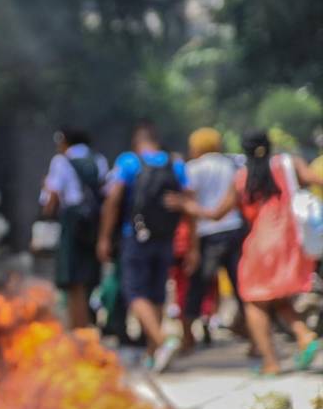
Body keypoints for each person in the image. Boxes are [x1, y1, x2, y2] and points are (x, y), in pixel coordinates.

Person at [172, 131, 322, 375]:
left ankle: (270, 362)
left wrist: (187, 206)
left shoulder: (242, 178)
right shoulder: (287, 163)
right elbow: (314, 178)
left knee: (254, 301)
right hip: (290, 242)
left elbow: (217, 214)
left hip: (260, 246)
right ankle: (304, 335)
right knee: (277, 297)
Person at [97, 121, 194, 372]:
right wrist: (193, 245)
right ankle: (153, 354)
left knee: (134, 292)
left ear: (136, 142)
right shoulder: (176, 164)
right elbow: (189, 204)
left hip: (135, 236)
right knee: (157, 293)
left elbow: (113, 200)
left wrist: (105, 237)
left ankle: (162, 342)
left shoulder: (129, 162)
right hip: (166, 238)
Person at [179, 127, 246, 351]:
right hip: (233, 229)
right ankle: (253, 335)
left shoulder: (193, 168)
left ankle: (187, 338)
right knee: (240, 286)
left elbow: (190, 211)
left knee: (197, 287)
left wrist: (193, 247)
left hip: (207, 234)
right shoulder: (231, 165)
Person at [40, 128, 108, 328]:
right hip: (95, 223)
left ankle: (79, 329)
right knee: (89, 278)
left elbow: (52, 197)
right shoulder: (99, 159)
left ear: (65, 142)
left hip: (72, 223)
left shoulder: (61, 161)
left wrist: (46, 211)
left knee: (73, 281)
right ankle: (88, 323)